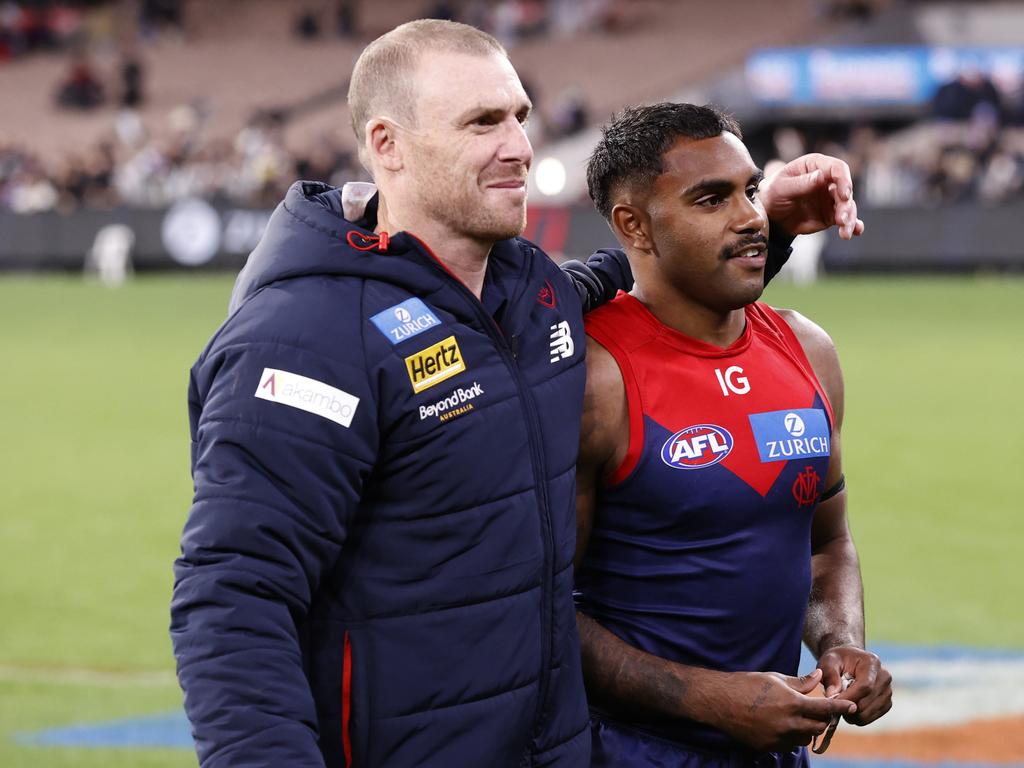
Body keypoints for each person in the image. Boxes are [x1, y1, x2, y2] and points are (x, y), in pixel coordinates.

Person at [171, 20, 865, 768]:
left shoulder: (531, 296)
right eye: (481, 122)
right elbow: (234, 597)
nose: (518, 147)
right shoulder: (305, 340)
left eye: (519, 117)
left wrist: (770, 225)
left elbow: (644, 278)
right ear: (387, 145)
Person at [573, 103, 893, 767]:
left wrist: (840, 642)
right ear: (634, 225)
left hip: (773, 748)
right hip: (624, 750)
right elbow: (537, 613)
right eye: (710, 198)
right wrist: (707, 697)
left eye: (749, 189)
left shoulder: (809, 350)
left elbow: (827, 543)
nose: (751, 216)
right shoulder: (594, 379)